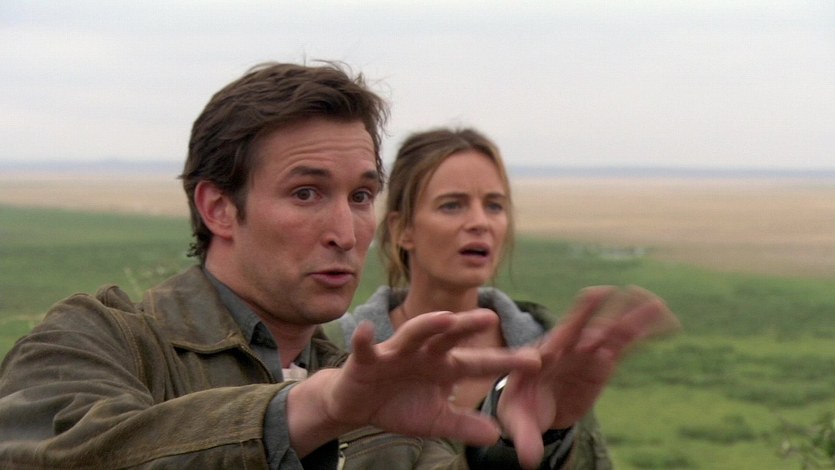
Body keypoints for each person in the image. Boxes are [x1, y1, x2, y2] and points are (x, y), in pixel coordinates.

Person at [0, 62, 678, 470]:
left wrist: (540, 441)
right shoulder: (95, 341)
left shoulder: (379, 393)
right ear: (219, 208)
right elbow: (68, 455)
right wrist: (312, 409)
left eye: (359, 196)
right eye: (306, 193)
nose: (345, 232)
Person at [330, 127, 613, 468]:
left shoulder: (546, 352)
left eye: (494, 205)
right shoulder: (338, 352)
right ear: (402, 229)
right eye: (452, 205)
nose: (480, 222)